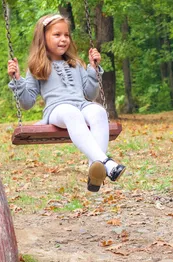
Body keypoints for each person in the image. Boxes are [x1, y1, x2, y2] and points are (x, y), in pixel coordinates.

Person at [7, 13, 125, 192]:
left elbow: (90, 93)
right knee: (71, 111)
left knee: (98, 111)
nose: (63, 39)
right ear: (43, 37)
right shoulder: (37, 66)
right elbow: (27, 102)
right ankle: (106, 162)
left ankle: (96, 170)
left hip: (81, 105)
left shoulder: (76, 63)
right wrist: (17, 80)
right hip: (57, 110)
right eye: (57, 35)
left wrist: (93, 70)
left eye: (66, 35)